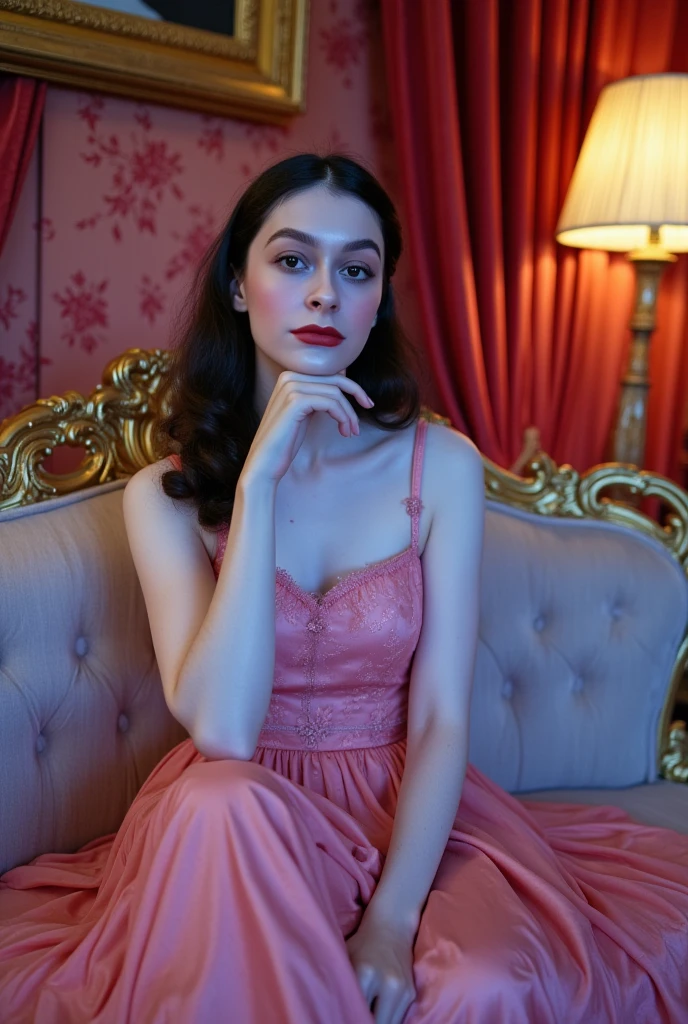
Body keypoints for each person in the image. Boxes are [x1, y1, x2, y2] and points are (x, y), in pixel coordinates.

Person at [0, 153, 687, 1024]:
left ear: (376, 302)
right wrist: (258, 485)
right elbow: (224, 728)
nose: (325, 292)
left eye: (356, 270)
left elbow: (441, 714)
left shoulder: (439, 466)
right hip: (238, 816)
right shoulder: (164, 498)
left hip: (408, 806)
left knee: (484, 984)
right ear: (241, 286)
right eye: (292, 261)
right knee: (223, 801)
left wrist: (393, 922)